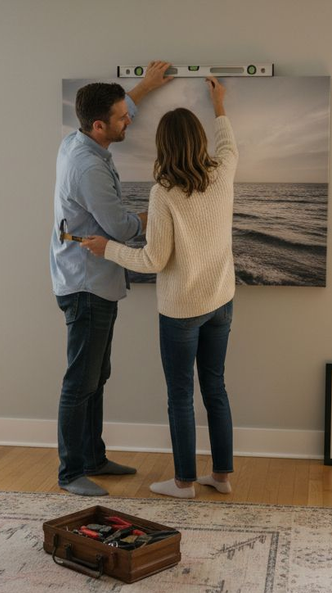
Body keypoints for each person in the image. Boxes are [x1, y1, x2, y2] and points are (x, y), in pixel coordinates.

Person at [81, 76, 237, 499]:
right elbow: (228, 144)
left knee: (181, 396)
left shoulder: (163, 193)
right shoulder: (222, 172)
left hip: (182, 311)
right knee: (216, 388)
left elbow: (153, 260)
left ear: (163, 146)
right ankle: (221, 477)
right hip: (221, 301)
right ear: (198, 139)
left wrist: (107, 248)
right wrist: (218, 103)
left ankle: (184, 481)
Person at [50, 61, 173, 496]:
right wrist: (164, 213)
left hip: (90, 278)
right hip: (87, 283)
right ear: (100, 125)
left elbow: (121, 111)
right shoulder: (89, 168)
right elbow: (121, 228)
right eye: (122, 118)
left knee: (96, 376)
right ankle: (70, 472)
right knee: (81, 380)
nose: (130, 122)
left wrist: (143, 88)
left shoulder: (80, 139)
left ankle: (93, 457)